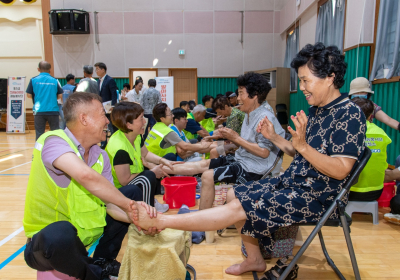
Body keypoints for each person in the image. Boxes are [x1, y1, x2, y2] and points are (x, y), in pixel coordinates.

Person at [132, 43, 367, 278]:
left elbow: (340, 170)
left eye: (306, 81)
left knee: (237, 204)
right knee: (234, 194)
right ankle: (255, 259)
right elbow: (299, 152)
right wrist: (276, 138)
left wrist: (302, 146)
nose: (303, 88)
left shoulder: (349, 114)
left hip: (317, 196)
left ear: (329, 78)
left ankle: (162, 221)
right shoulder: (318, 110)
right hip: (294, 182)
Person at [23, 92, 158, 280]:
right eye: (103, 114)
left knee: (130, 193)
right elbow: (85, 176)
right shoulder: (53, 141)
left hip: (85, 241)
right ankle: (96, 273)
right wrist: (129, 205)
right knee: (60, 234)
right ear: (84, 119)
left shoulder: (100, 156)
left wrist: (138, 217)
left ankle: (102, 261)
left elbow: (110, 204)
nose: (107, 121)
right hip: (47, 246)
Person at [106, 102, 175, 213]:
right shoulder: (120, 148)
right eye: (141, 119)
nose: (144, 122)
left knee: (161, 163)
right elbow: (124, 181)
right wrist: (152, 171)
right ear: (129, 125)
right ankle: (148, 211)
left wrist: (163, 160)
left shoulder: (135, 135)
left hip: (133, 179)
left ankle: (152, 199)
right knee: (148, 176)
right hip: (120, 191)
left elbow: (146, 154)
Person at [349, 98, 391, 201]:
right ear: (371, 115)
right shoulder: (381, 133)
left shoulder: (348, 131)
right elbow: (384, 163)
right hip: (375, 191)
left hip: (350, 191)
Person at [144, 103, 212, 161]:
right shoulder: (168, 131)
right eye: (170, 114)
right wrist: (202, 146)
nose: (172, 116)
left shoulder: (157, 126)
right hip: (157, 161)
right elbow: (185, 147)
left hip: (152, 159)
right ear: (162, 118)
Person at [26, 61, 63, 140]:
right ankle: (55, 150)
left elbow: (28, 95)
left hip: (39, 111)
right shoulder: (55, 80)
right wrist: (51, 98)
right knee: (55, 133)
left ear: (38, 69)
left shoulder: (33, 80)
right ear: (50, 69)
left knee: (39, 133)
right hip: (53, 110)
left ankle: (39, 151)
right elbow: (60, 95)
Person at [95, 62, 118, 148]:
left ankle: (114, 143)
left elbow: (113, 93)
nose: (96, 71)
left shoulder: (110, 80)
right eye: (95, 69)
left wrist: (113, 105)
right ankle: (103, 143)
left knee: (112, 125)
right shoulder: (98, 81)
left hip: (109, 107)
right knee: (103, 125)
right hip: (101, 107)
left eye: (97, 69)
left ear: (103, 69)